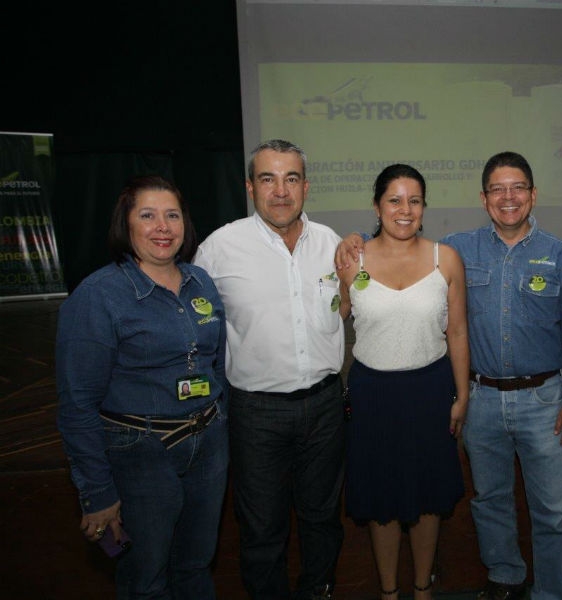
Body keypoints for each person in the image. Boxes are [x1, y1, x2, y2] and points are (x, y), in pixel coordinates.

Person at [338, 151, 562, 600]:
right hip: (481, 398)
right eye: (497, 189)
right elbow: (388, 249)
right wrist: (354, 238)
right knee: (490, 500)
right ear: (483, 198)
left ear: (533, 195)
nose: (508, 197)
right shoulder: (460, 248)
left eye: (517, 188)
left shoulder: (559, 256)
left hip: (542, 401)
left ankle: (551, 594)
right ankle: (505, 579)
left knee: (553, 511)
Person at [56, 174, 229, 598]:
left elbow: (216, 363)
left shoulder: (201, 282)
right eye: (148, 215)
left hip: (208, 445)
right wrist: (98, 492)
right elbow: (77, 403)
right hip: (141, 452)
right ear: (126, 223)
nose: (162, 227)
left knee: (196, 565)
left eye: (172, 215)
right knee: (146, 578)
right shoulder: (99, 296)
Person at [193, 139, 350, 600]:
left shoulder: (331, 244)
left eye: (291, 178)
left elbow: (344, 308)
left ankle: (318, 589)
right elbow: (197, 329)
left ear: (306, 186)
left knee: (323, 517)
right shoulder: (219, 249)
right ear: (250, 187)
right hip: (255, 413)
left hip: (325, 406)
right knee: (262, 526)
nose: (281, 191)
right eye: (268, 179)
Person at [338, 164, 469, 600]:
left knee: (428, 496)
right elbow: (331, 320)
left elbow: (457, 332)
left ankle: (422, 587)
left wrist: (462, 396)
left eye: (414, 200)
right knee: (382, 499)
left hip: (430, 391)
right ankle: (390, 592)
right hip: (372, 395)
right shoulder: (350, 261)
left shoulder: (445, 259)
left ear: (424, 207)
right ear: (377, 207)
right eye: (394, 200)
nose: (405, 209)